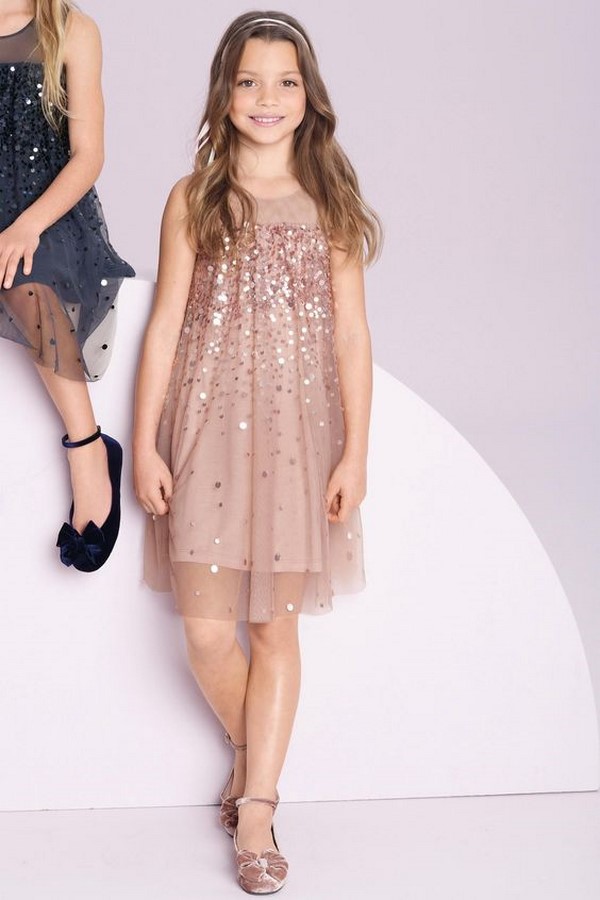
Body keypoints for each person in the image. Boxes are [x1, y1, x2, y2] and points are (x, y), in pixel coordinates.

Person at [134, 11, 380, 894]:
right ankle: (252, 756)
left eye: (284, 82)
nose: (266, 98)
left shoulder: (330, 202)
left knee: (274, 626)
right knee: (207, 631)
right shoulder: (193, 197)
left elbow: (351, 337)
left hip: (297, 442)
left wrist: (355, 454)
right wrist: (145, 444)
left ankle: (259, 813)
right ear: (225, 92)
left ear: (309, 96)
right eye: (248, 81)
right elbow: (164, 325)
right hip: (204, 432)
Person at [0, 1, 134, 572]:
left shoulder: (73, 30)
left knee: (26, 279)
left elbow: (88, 155)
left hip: (45, 207)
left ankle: (88, 448)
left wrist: (28, 223)